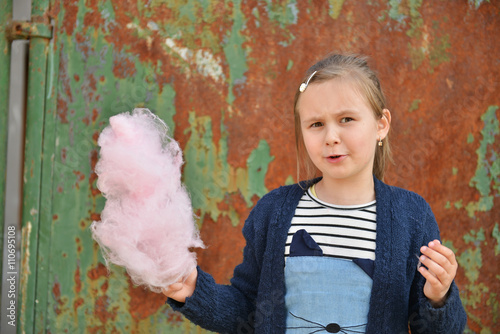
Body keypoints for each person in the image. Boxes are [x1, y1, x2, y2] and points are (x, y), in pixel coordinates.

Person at [162, 53, 467, 333]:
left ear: (381, 124)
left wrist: (438, 298)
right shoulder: (273, 212)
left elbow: (437, 328)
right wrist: (194, 290)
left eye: (346, 119)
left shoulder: (411, 216)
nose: (331, 137)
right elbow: (247, 312)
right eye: (316, 124)